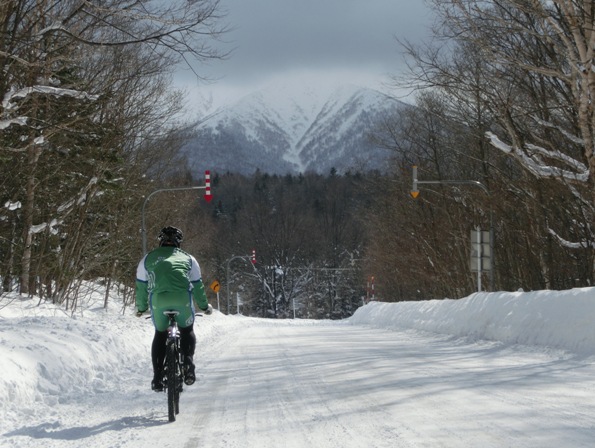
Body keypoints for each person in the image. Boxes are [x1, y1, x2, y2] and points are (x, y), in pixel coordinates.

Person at [135, 226, 212, 391]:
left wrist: (141, 308)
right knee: (186, 330)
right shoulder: (189, 259)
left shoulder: (147, 259)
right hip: (182, 300)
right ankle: (188, 364)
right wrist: (204, 307)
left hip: (158, 301)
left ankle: (157, 378)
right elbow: (198, 287)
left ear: (160, 241)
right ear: (179, 242)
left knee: (160, 334)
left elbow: (141, 287)